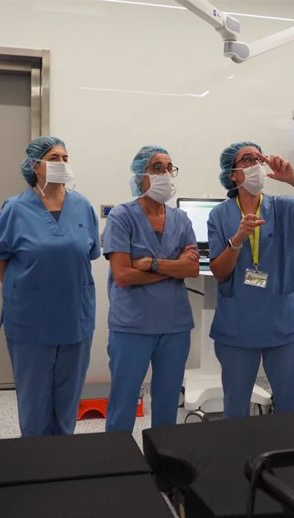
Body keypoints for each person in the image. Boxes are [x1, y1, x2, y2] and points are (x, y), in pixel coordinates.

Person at [207, 141, 294, 418]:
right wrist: (237, 240)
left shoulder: (284, 207)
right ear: (232, 174)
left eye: (258, 159)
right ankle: (237, 460)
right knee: (236, 409)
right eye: (247, 160)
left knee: (290, 408)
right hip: (238, 326)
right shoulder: (220, 215)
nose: (255, 165)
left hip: (283, 325)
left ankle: (285, 458)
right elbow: (219, 271)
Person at [0, 136, 100, 437]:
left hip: (75, 320)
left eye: (65, 158)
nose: (62, 164)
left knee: (67, 408)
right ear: (35, 166)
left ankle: (61, 469)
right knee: (34, 408)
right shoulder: (15, 209)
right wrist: (27, 292)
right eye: (54, 158)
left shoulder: (83, 207)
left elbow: (88, 254)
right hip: (31, 324)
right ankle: (33, 469)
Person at [102, 145, 199, 432]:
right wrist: (173, 268)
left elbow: (192, 269)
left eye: (170, 168)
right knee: (124, 401)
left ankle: (163, 464)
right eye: (157, 168)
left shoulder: (180, 219)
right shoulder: (122, 216)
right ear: (140, 175)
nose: (166, 174)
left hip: (175, 326)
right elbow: (122, 275)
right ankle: (118, 466)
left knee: (168, 402)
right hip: (132, 326)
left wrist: (152, 265)